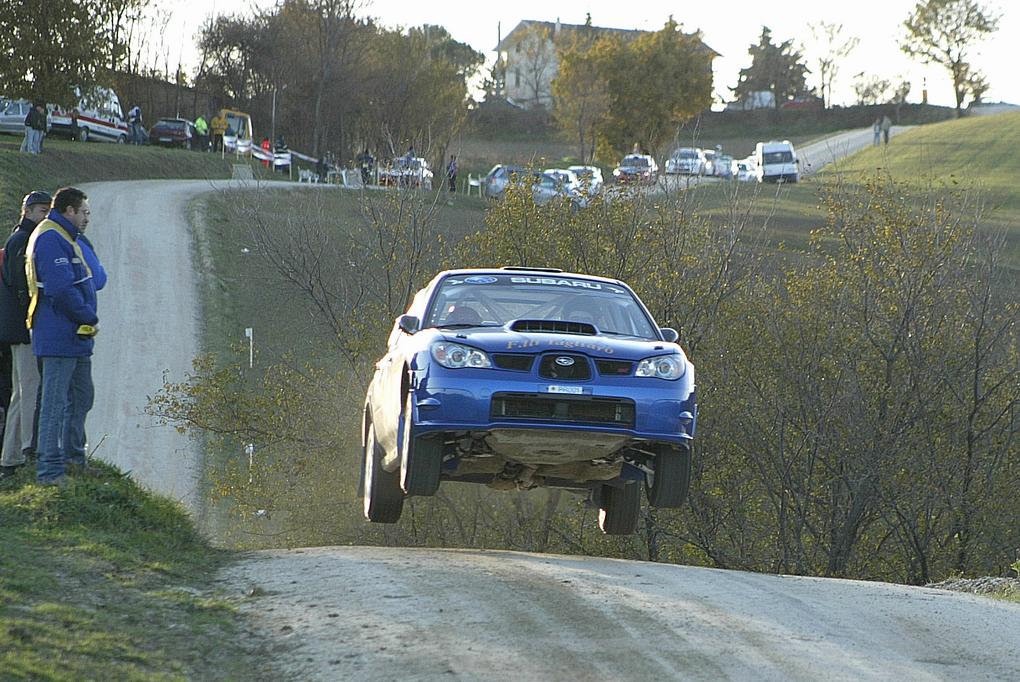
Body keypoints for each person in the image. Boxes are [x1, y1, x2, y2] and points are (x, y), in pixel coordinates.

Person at [25, 187, 105, 485]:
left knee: (82, 396)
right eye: (83, 212)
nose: (86, 219)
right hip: (58, 334)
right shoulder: (49, 238)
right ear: (68, 211)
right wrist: (88, 315)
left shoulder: (66, 237)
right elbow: (59, 289)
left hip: (75, 338)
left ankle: (74, 459)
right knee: (54, 404)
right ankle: (50, 471)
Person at [0, 191, 51, 480]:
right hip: (22, 329)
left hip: (17, 328)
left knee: (22, 393)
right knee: (28, 390)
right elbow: (24, 290)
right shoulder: (23, 241)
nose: (45, 217)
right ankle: (23, 452)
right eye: (42, 211)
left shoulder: (17, 238)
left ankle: (11, 457)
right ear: (29, 211)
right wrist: (34, 323)